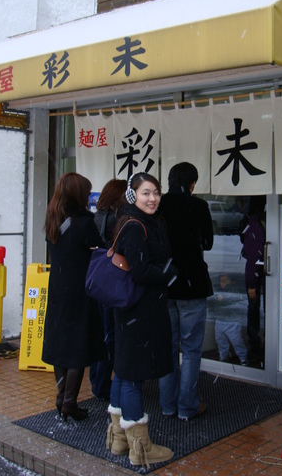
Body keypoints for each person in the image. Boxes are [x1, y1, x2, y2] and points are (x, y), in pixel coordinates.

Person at [106, 172, 178, 467]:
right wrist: (169, 275)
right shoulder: (135, 226)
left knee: (123, 372)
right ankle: (141, 448)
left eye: (157, 193)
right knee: (132, 375)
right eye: (146, 193)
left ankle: (119, 439)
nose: (153, 198)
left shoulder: (136, 221)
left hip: (131, 309)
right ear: (134, 195)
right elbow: (139, 271)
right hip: (140, 310)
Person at [42, 172, 106, 422]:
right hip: (79, 290)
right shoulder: (83, 222)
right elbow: (99, 247)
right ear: (79, 195)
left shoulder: (52, 218)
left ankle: (61, 398)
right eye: (86, 192)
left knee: (61, 344)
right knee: (77, 347)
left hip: (58, 287)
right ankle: (69, 402)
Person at [157, 162, 214, 421]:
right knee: (190, 349)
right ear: (192, 183)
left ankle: (168, 406)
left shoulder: (158, 205)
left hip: (164, 285)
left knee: (166, 349)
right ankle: (187, 408)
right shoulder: (199, 206)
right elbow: (208, 243)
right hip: (192, 285)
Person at [88, 178, 127, 401]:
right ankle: (103, 385)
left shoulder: (96, 216)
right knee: (111, 336)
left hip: (96, 282)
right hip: (112, 283)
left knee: (102, 333)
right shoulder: (117, 220)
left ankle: (97, 381)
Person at [241, 195, 266, 364]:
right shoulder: (264, 220)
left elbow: (254, 256)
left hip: (259, 275)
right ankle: (263, 348)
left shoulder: (254, 223)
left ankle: (256, 349)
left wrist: (251, 284)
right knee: (264, 310)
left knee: (254, 310)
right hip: (265, 272)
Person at [207, 274, 248, 365]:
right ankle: (223, 356)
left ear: (233, 282)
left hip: (232, 322)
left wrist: (225, 298)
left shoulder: (235, 292)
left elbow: (238, 302)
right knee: (220, 341)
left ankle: (243, 357)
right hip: (219, 320)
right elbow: (212, 303)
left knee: (236, 341)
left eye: (225, 282)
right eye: (221, 281)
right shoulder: (218, 292)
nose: (222, 284)